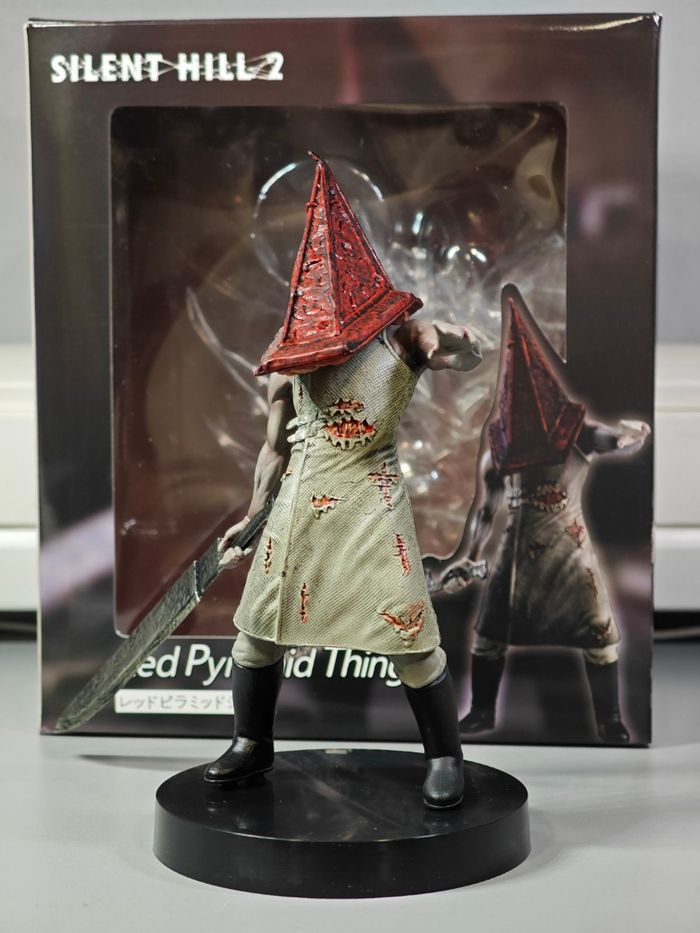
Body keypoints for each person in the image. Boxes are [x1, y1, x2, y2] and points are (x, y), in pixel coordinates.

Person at [204, 154, 482, 808]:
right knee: (258, 633)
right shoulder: (290, 352)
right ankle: (251, 742)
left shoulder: (401, 340)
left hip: (372, 501)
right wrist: (252, 516)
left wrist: (460, 344)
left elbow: (460, 353)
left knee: (410, 633)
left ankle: (445, 754)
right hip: (300, 502)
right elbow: (274, 447)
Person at [425, 285, 649, 743]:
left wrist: (634, 434)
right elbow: (484, 509)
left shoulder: (575, 432)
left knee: (599, 635)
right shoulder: (500, 446)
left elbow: (619, 440)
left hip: (571, 551)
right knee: (489, 636)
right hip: (516, 556)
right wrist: (468, 556)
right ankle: (482, 711)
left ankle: (609, 719)